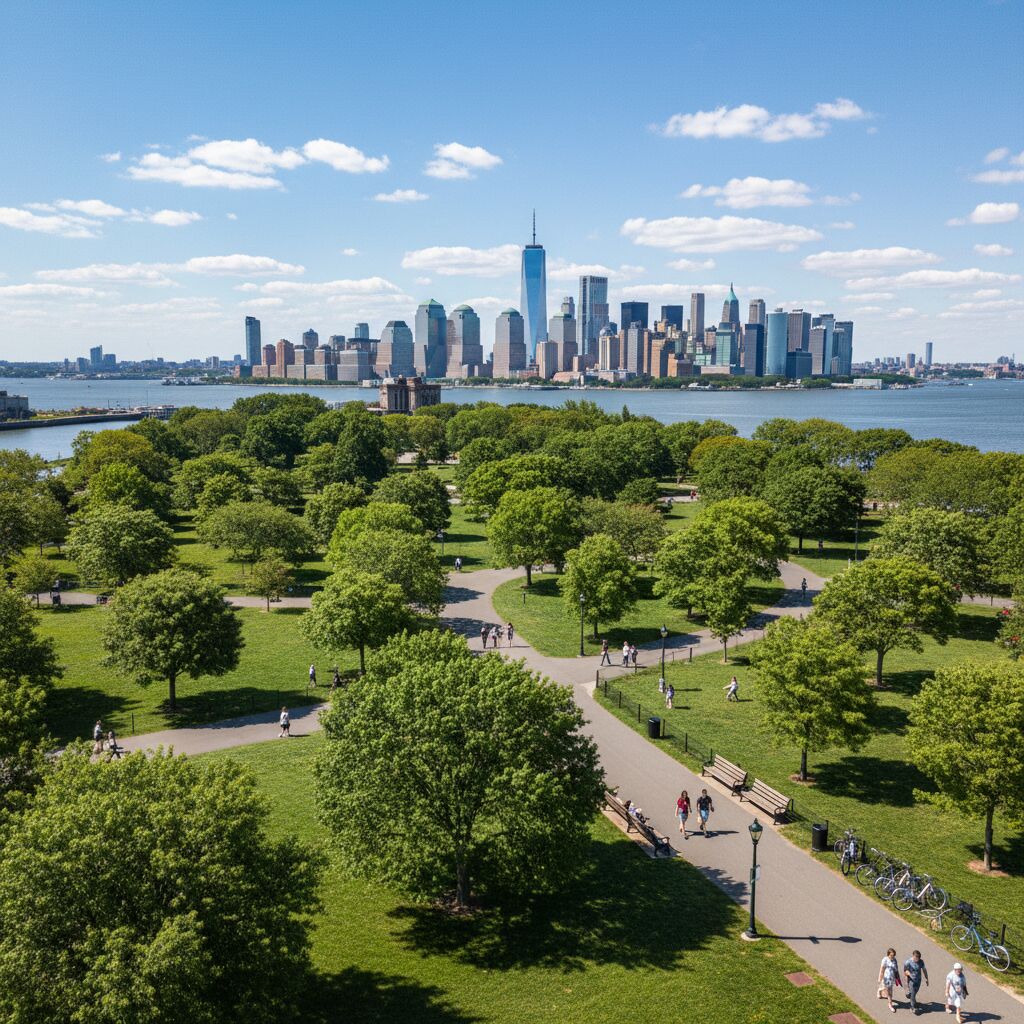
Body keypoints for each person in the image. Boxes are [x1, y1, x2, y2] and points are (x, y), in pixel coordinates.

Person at [903, 950, 928, 1015]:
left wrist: (926, 978)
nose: (917, 960)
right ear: (913, 956)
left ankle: (912, 999)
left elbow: (924, 970)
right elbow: (905, 971)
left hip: (918, 980)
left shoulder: (921, 962)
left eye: (918, 958)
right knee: (913, 994)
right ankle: (912, 1007)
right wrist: (909, 975)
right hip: (911, 981)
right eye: (916, 958)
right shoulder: (908, 962)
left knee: (914, 993)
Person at [878, 948, 899, 1013]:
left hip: (892, 978)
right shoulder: (885, 960)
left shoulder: (895, 960)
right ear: (888, 955)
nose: (893, 957)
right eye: (891, 955)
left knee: (885, 988)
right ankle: (890, 1005)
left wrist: (897, 978)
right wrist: (880, 978)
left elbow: (896, 970)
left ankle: (879, 991)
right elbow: (882, 970)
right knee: (889, 993)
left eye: (894, 955)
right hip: (886, 978)